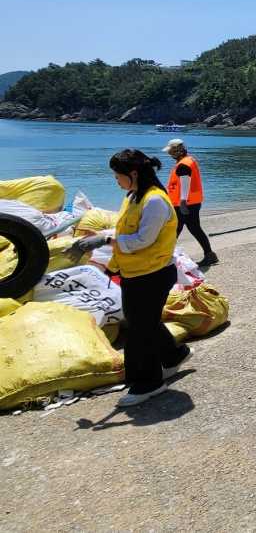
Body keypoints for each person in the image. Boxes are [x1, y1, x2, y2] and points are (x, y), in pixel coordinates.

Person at [69, 149, 192, 407]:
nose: (116, 180)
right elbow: (125, 228)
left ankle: (148, 383)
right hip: (136, 271)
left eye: (117, 176)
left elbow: (142, 240)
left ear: (133, 174)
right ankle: (174, 354)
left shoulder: (155, 201)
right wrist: (108, 256)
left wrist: (105, 240)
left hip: (153, 273)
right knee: (144, 321)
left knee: (139, 330)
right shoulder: (133, 196)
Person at [163, 138, 218, 266]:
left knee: (177, 229)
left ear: (177, 151)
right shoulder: (188, 160)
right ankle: (209, 254)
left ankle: (165, 257)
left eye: (171, 152)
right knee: (190, 228)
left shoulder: (183, 165)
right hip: (191, 201)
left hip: (185, 203)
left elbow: (185, 183)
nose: (169, 154)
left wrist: (183, 201)